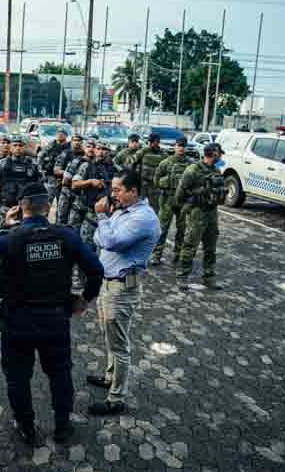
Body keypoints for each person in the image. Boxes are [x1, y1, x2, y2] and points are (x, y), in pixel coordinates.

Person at [0, 183, 103, 446]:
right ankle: (62, 426)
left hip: (17, 321)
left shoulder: (11, 237)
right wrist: (84, 300)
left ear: (20, 208)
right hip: (55, 319)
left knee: (18, 376)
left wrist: (4, 227)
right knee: (60, 374)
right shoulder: (67, 235)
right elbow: (96, 270)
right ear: (48, 207)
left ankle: (26, 426)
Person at [87, 168, 160, 415]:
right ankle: (110, 377)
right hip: (107, 283)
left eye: (118, 190)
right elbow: (100, 240)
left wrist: (102, 219)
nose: (112, 194)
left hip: (121, 288)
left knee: (119, 344)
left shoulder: (143, 218)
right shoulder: (122, 211)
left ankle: (116, 398)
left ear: (134, 191)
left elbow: (111, 241)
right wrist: (105, 226)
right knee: (109, 336)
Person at [175, 143, 226, 291]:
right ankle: (183, 276)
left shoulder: (216, 170)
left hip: (212, 212)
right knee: (190, 244)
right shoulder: (193, 170)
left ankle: (209, 277)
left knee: (211, 246)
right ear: (214, 154)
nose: (221, 156)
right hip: (197, 212)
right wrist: (188, 207)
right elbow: (180, 193)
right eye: (219, 153)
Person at [150, 137, 193, 266]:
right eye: (179, 145)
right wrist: (166, 182)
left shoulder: (190, 164)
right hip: (167, 200)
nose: (181, 148)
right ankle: (156, 255)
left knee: (182, 229)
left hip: (182, 201)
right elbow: (156, 179)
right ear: (174, 146)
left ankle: (177, 254)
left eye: (183, 146)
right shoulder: (166, 162)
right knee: (162, 229)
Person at [71, 139, 116, 251]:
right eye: (98, 149)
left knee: (104, 246)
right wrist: (90, 181)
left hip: (106, 213)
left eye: (104, 150)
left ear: (109, 152)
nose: (101, 152)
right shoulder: (86, 166)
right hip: (88, 209)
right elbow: (74, 184)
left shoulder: (114, 169)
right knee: (85, 244)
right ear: (95, 150)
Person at [0, 135, 40, 231]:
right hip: (6, 206)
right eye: (15, 145)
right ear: (11, 148)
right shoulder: (1, 164)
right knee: (2, 232)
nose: (18, 148)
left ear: (24, 147)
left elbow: (39, 185)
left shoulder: (33, 165)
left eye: (20, 145)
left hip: (26, 209)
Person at [131, 133, 168, 213]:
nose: (151, 144)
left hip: (155, 186)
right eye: (150, 142)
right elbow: (131, 162)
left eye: (154, 142)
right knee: (139, 207)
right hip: (143, 184)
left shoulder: (163, 154)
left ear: (158, 142)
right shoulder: (143, 151)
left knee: (155, 208)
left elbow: (167, 169)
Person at [54, 134, 86, 225]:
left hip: (79, 191)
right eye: (74, 140)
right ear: (71, 142)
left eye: (79, 140)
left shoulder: (85, 155)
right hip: (65, 188)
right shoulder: (66, 153)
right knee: (61, 216)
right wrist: (68, 174)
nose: (77, 142)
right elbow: (56, 170)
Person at [36, 129, 70, 207]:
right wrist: (41, 171)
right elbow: (40, 157)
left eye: (62, 133)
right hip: (51, 177)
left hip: (64, 179)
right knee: (48, 200)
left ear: (66, 136)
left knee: (62, 203)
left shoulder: (69, 148)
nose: (60, 135)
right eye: (59, 133)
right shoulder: (50, 146)